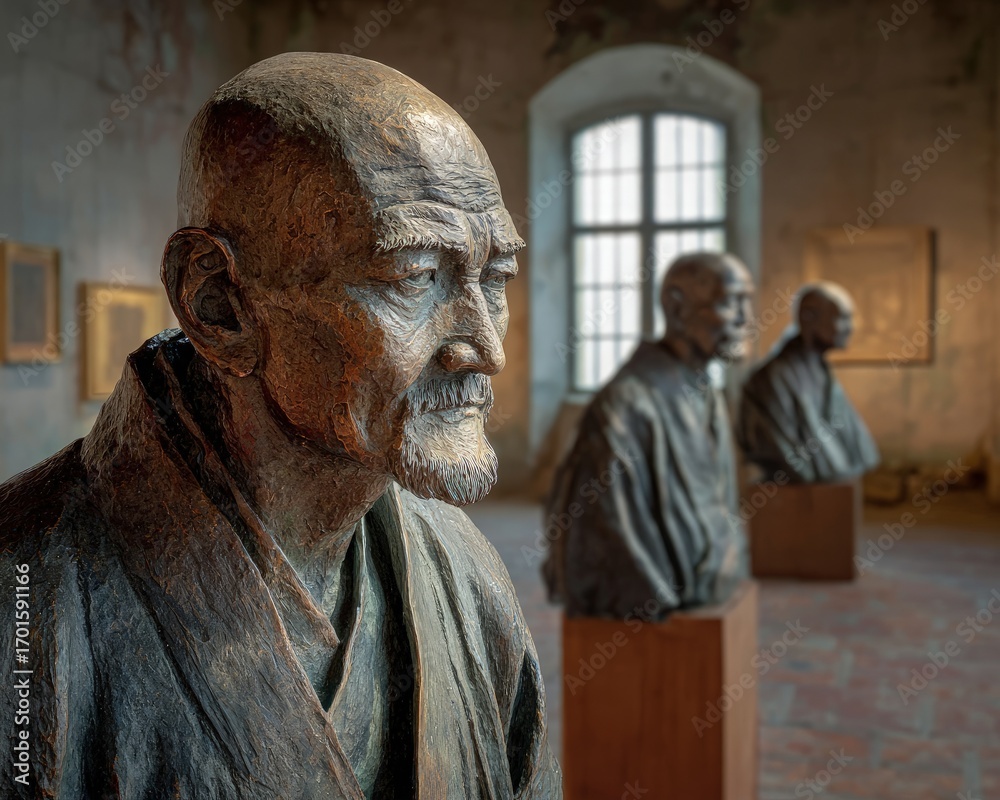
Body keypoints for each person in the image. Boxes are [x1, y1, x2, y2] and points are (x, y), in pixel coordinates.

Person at [0, 53, 560, 799]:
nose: (485, 349)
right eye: (416, 277)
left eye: (494, 280)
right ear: (218, 306)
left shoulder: (466, 572)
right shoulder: (27, 593)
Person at [542, 252, 754, 620]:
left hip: (714, 575)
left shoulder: (708, 394)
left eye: (747, 303)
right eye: (728, 303)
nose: (746, 320)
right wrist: (656, 596)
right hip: (657, 604)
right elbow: (614, 533)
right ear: (676, 307)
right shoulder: (626, 406)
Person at [738, 281, 880, 483]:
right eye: (842, 318)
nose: (851, 327)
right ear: (809, 318)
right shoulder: (772, 379)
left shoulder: (820, 370)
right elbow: (782, 449)